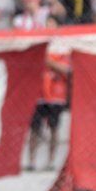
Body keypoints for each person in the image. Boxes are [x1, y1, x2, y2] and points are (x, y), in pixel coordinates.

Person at [27, 18, 70, 172]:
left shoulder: (63, 46)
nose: (48, 27)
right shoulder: (37, 44)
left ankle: (51, 161)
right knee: (35, 129)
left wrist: (47, 62)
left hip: (56, 94)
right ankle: (31, 161)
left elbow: (66, 70)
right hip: (38, 93)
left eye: (51, 24)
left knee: (54, 129)